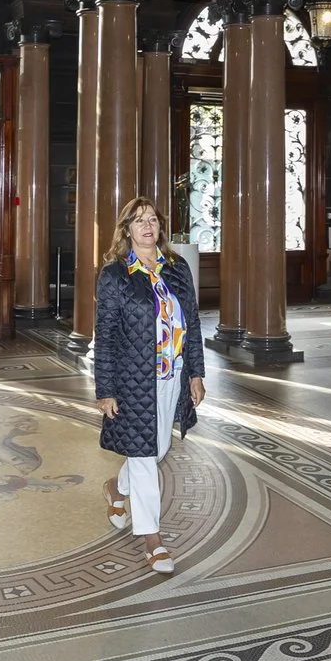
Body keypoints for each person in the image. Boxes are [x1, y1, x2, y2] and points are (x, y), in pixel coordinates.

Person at [93, 195, 205, 575]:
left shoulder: (177, 269)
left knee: (155, 451)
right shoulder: (115, 275)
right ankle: (153, 539)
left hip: (171, 374)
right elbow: (105, 335)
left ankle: (116, 489)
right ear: (126, 229)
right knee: (144, 459)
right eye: (138, 221)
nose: (147, 226)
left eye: (153, 220)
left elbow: (191, 323)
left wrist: (196, 372)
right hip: (132, 379)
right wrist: (105, 388)